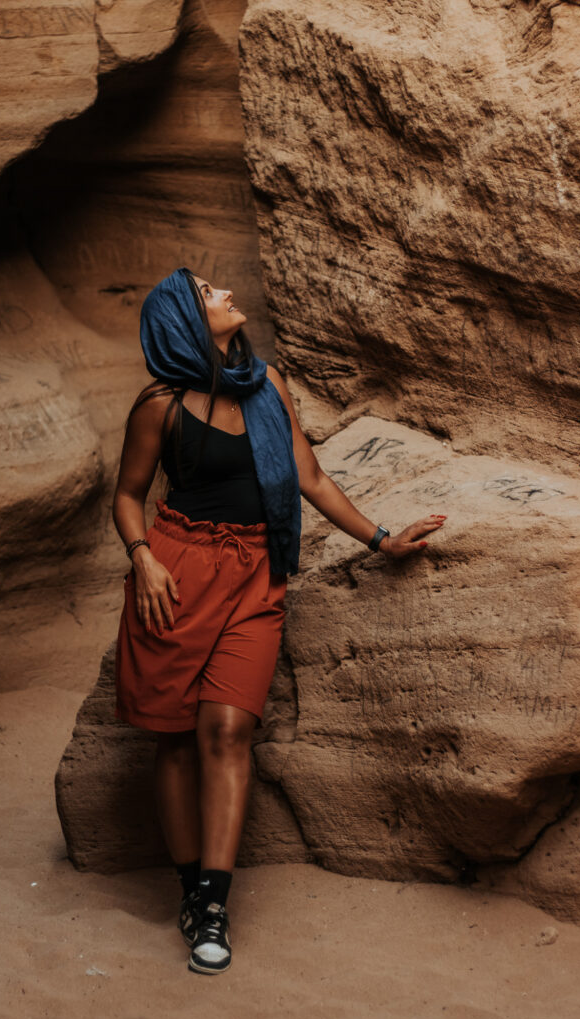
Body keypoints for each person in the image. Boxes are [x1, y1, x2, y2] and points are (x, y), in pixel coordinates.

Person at [112, 267, 445, 975]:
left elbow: (311, 478)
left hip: (256, 576)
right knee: (174, 740)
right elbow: (128, 495)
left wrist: (382, 540)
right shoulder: (159, 406)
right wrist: (143, 559)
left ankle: (213, 905)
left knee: (228, 729)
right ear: (184, 322)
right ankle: (189, 889)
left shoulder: (266, 387)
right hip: (177, 574)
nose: (225, 293)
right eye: (208, 293)